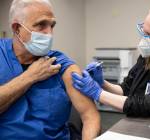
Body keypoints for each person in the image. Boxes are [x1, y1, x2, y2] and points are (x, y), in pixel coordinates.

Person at [0, 0, 100, 139]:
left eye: (52, 25)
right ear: (17, 28)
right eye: (41, 25)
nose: (50, 33)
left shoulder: (61, 64)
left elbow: (90, 117)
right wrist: (30, 76)